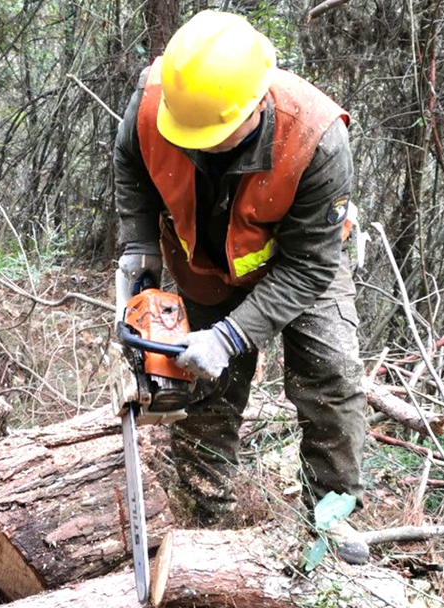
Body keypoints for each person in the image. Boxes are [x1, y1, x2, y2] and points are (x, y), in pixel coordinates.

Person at [113, 10, 369, 564]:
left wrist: (231, 337)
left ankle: (334, 515)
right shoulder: (157, 103)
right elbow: (131, 165)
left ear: (255, 105)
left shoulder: (316, 139)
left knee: (331, 376)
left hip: (299, 263)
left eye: (214, 137)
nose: (202, 147)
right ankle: (203, 511)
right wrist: (139, 248)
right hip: (203, 258)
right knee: (201, 385)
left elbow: (309, 268)